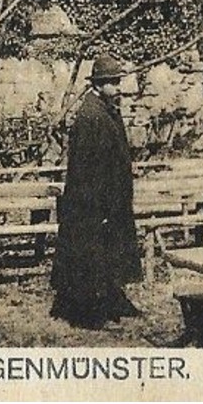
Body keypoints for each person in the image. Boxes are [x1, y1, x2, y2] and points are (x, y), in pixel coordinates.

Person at [50, 53, 143, 329]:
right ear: (99, 84)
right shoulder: (91, 116)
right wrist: (99, 207)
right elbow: (88, 169)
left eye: (117, 81)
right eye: (112, 82)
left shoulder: (107, 110)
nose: (117, 87)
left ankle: (112, 303)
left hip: (110, 200)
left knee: (110, 256)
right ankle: (91, 316)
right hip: (93, 203)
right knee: (91, 261)